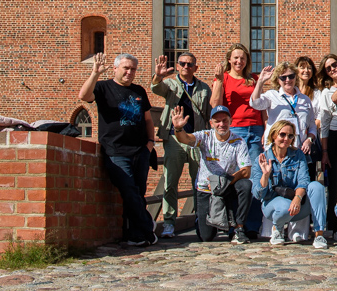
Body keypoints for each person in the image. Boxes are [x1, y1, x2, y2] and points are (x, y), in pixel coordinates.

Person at [79, 52, 157, 246]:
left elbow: (148, 119)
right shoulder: (104, 87)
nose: (129, 72)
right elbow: (83, 96)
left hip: (140, 150)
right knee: (128, 189)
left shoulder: (139, 91)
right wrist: (95, 73)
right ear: (115, 69)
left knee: (138, 192)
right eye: (126, 68)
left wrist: (150, 144)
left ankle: (136, 236)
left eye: (133, 69)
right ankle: (148, 226)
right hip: (115, 151)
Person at [169, 104, 252, 243]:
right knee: (206, 237)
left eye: (225, 120)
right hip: (206, 189)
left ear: (230, 121)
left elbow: (246, 171)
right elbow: (185, 139)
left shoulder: (238, 141)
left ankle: (239, 227)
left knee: (245, 185)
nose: (221, 124)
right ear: (211, 123)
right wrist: (178, 128)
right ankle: (210, 222)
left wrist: (226, 182)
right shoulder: (205, 136)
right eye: (217, 121)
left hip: (227, 187)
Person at [150, 52, 211, 238]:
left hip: (195, 139)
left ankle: (199, 219)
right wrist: (158, 75)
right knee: (170, 183)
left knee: (199, 183)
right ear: (177, 66)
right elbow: (156, 89)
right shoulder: (170, 84)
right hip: (174, 138)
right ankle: (169, 223)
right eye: (183, 63)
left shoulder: (204, 88)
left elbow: (208, 113)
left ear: (196, 68)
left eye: (190, 64)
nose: (186, 67)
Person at [210, 43, 265, 235]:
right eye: (235, 58)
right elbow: (215, 104)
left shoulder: (254, 79)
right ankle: (233, 222)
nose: (239, 61)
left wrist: (265, 128)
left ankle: (251, 226)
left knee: (256, 176)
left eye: (242, 58)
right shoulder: (223, 78)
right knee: (234, 176)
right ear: (229, 60)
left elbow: (261, 106)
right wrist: (218, 81)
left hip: (256, 130)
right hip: (235, 131)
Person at [252, 114, 329, 248]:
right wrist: (265, 175)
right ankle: (277, 229)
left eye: (290, 136)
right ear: (274, 136)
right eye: (282, 135)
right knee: (283, 207)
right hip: (274, 205)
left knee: (317, 186)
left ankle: (319, 234)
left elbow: (303, 180)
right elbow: (258, 195)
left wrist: (297, 198)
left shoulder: (298, 155)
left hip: (296, 203)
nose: (286, 139)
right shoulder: (263, 158)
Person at [304, 55, 337, 231]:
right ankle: (327, 223)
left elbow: (320, 118)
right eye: (328, 68)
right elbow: (325, 121)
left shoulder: (319, 93)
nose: (333, 68)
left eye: (335, 64)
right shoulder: (326, 92)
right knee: (330, 182)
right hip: (330, 137)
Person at [250, 61, 317, 146]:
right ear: (278, 80)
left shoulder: (305, 99)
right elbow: (255, 103)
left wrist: (309, 140)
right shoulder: (272, 95)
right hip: (276, 149)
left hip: (298, 150)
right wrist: (260, 81)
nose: (288, 80)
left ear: (296, 77)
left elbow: (312, 126)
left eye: (291, 76)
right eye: (283, 78)